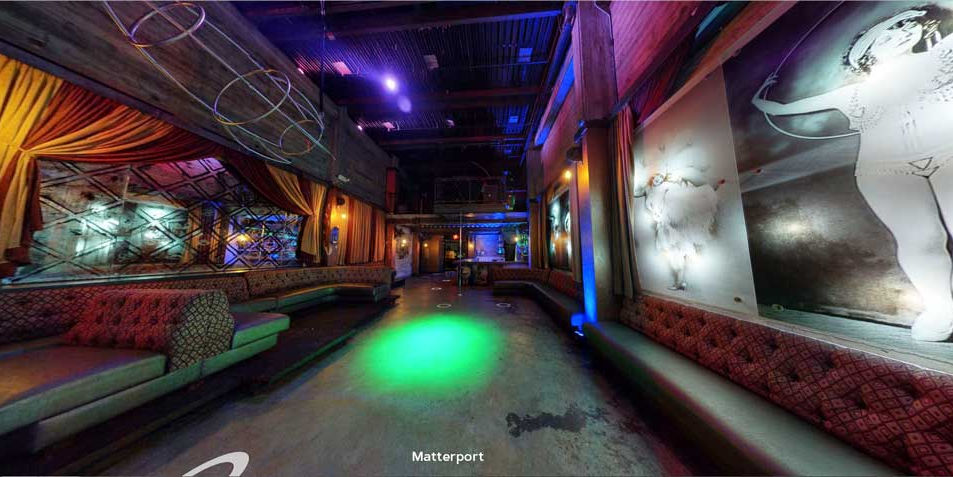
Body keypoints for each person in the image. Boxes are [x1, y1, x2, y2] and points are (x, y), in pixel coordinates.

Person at [750, 7, 953, 340]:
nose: (901, 32)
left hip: (948, 150)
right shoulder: (851, 93)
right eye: (889, 32)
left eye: (906, 26)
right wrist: (761, 96)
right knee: (920, 238)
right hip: (885, 167)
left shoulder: (940, 55)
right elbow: (783, 109)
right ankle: (941, 308)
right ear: (867, 53)